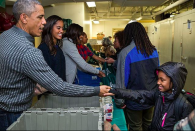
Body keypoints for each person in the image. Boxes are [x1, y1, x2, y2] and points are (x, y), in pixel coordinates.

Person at [0, 0, 110, 130]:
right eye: (40, 17)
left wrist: (29, 89)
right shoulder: (29, 51)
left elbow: (12, 75)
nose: (44, 22)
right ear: (24, 17)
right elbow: (60, 87)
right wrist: (97, 90)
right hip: (13, 114)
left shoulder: (4, 36)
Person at [107, 62, 194, 131]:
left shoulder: (184, 106)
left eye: (162, 80)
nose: (158, 82)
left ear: (174, 82)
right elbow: (138, 94)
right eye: (158, 79)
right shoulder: (160, 95)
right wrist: (115, 91)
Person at [112, 22, 159, 131]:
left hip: (134, 99)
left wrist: (120, 101)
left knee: (135, 127)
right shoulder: (153, 50)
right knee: (148, 125)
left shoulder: (125, 53)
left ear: (129, 34)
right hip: (151, 96)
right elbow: (157, 75)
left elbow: (122, 80)